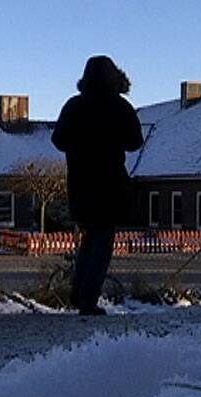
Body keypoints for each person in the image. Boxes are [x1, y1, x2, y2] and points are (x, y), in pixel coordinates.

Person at [52, 56, 144, 315]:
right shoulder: (120, 107)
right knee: (102, 243)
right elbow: (135, 141)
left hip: (81, 184)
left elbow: (58, 140)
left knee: (89, 238)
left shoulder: (74, 106)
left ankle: (78, 292)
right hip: (110, 185)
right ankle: (87, 300)